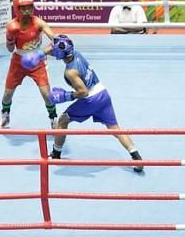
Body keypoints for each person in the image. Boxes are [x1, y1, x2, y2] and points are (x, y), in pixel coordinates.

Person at [20, 35, 144, 172]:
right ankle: (137, 157)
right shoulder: (76, 53)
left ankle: (55, 155)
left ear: (59, 54)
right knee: (115, 128)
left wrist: (66, 96)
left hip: (90, 98)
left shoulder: (70, 72)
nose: (52, 51)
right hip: (103, 94)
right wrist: (40, 53)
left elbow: (83, 92)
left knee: (63, 120)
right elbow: (57, 47)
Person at [0, 0, 58, 129]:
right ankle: (5, 116)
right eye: (23, 9)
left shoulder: (38, 22)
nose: (27, 11)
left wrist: (53, 46)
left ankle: (53, 119)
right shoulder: (12, 26)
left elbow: (54, 38)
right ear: (17, 10)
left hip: (37, 61)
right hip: (18, 61)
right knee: (7, 94)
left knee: (47, 94)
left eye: (30, 8)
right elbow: (10, 49)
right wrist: (10, 37)